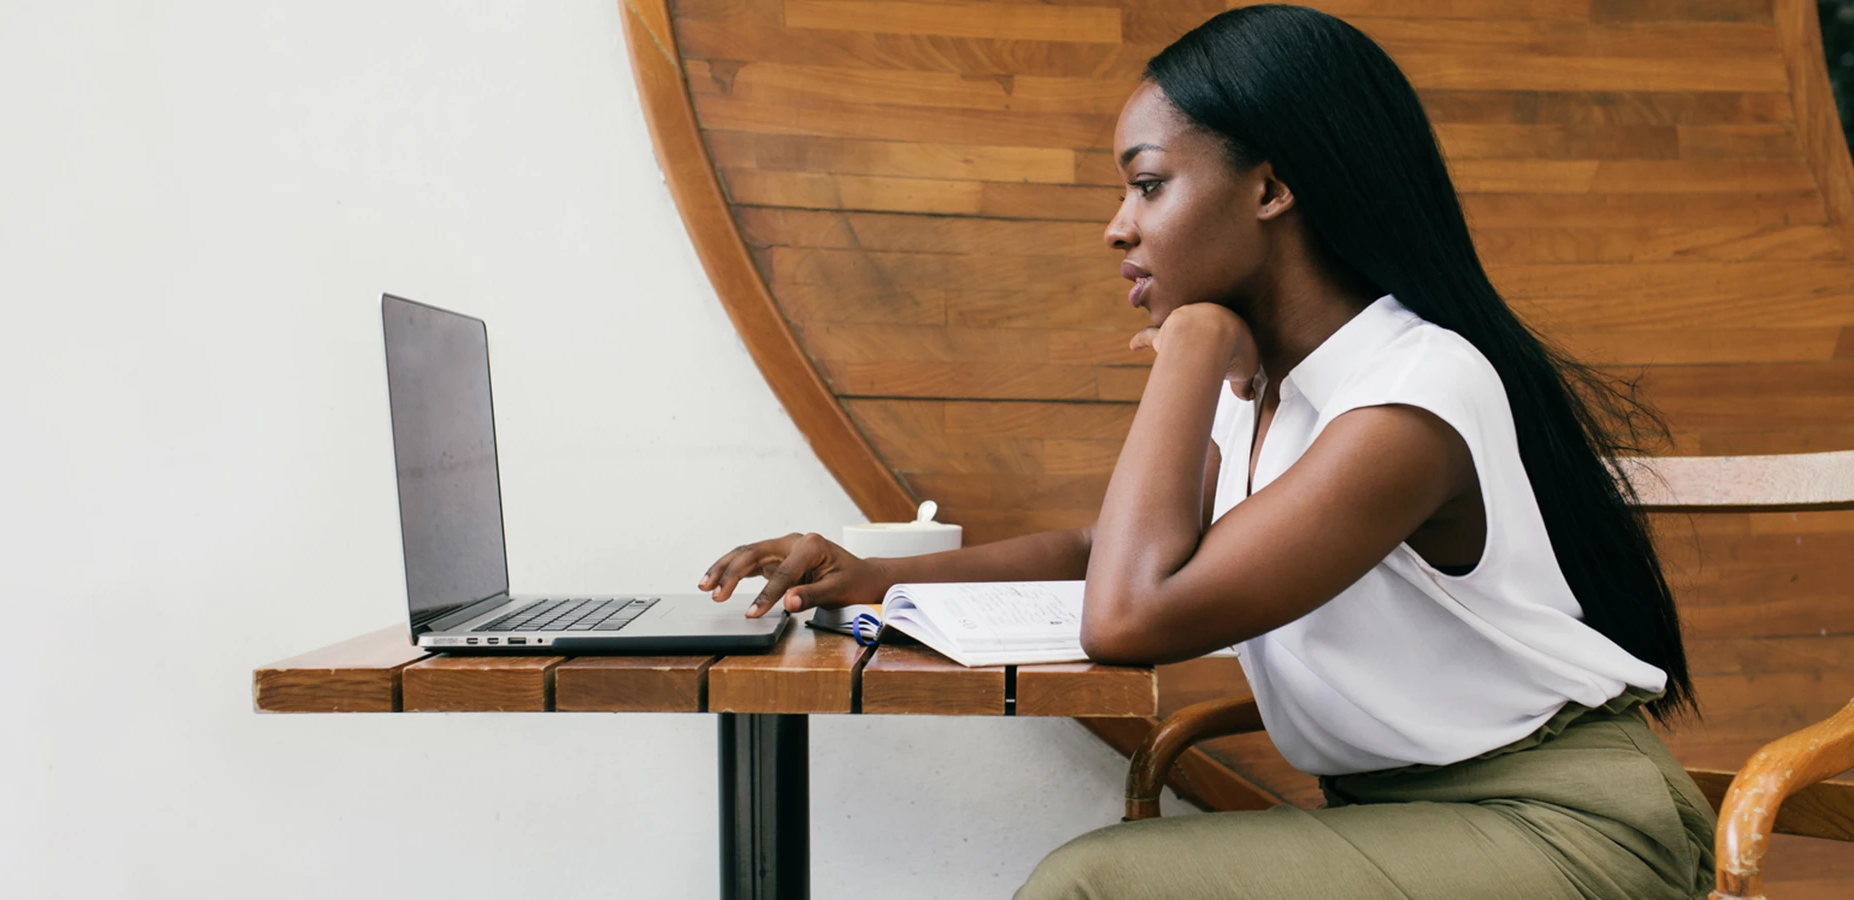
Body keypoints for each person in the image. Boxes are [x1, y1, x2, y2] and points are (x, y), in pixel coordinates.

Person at [694, 6, 1714, 898]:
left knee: (1094, 885)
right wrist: (872, 576)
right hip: (1406, 820)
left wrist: (1188, 346)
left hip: (1567, 832)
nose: (1116, 229)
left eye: (1147, 186)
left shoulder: (1414, 394)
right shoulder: (1279, 388)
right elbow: (1112, 551)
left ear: (1270, 188)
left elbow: (1129, 617)